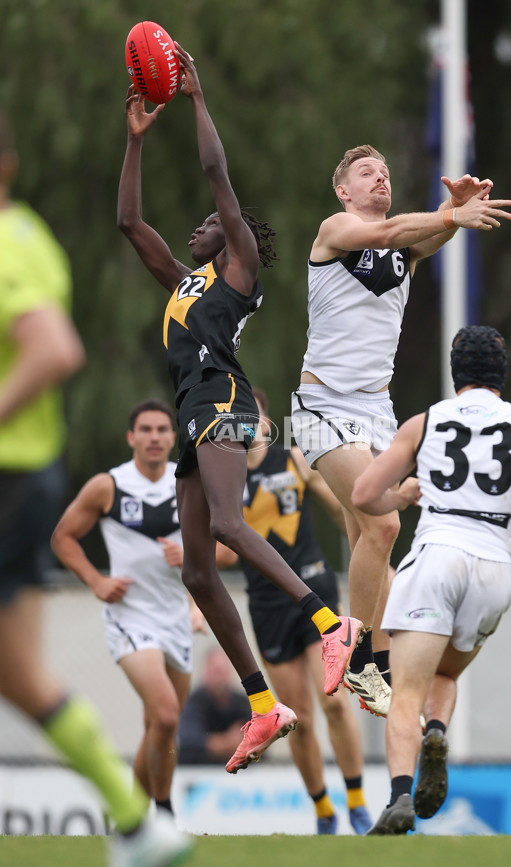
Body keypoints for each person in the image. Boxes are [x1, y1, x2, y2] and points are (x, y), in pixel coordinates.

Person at [117, 44, 363, 775]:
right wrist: (133, 139)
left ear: (234, 236)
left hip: (223, 398)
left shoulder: (239, 269)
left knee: (228, 524)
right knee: (198, 571)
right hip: (196, 408)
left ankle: (332, 624)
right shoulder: (185, 282)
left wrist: (196, 99)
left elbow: (217, 173)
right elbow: (130, 222)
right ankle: (265, 704)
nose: (197, 228)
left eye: (208, 224)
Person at [0, 110, 190, 866]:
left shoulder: (10, 241)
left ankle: (142, 821)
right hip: (32, 485)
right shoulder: (33, 236)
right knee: (19, 677)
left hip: (11, 478)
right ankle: (139, 826)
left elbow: (53, 348)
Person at [291, 145, 511, 717]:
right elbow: (390, 233)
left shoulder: (402, 248)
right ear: (343, 190)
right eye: (367, 172)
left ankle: (367, 667)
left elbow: (416, 240)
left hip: (375, 413)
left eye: (386, 171)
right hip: (320, 407)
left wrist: (453, 208)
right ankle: (352, 640)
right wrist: (447, 215)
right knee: (385, 523)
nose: (380, 177)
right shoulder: (336, 229)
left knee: (370, 540)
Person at [351, 325, 511, 834]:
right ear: (502, 373)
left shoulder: (425, 422)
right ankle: (436, 730)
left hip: (437, 556)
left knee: (404, 692)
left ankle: (400, 797)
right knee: (445, 676)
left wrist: (402, 498)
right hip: (494, 566)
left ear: (456, 374)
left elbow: (364, 494)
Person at [216, 387, 372, 834]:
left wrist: (373, 535)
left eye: (255, 416)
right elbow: (224, 554)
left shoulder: (294, 459)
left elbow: (347, 506)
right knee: (295, 716)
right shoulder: (223, 475)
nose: (247, 425)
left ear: (266, 422)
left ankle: (357, 803)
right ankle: (323, 810)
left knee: (336, 706)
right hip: (266, 605)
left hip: (313, 589)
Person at [51, 398, 205, 816]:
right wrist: (96, 580)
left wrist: (190, 555)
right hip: (130, 618)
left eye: (162, 430)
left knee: (160, 728)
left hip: (176, 619)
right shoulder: (108, 486)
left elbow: (225, 550)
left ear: (174, 438)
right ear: (131, 437)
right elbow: (63, 538)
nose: (154, 437)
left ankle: (131, 819)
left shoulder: (190, 482)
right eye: (146, 430)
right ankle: (164, 814)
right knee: (167, 714)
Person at [178, 647, 251, 765]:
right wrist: (230, 742)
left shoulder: (243, 703)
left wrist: (213, 744)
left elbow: (260, 742)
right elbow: (189, 744)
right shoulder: (192, 702)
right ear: (206, 672)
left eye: (222, 672)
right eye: (216, 671)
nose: (219, 678)